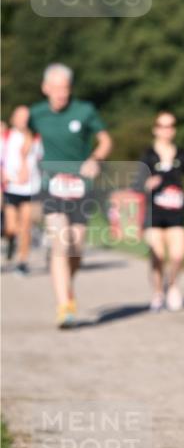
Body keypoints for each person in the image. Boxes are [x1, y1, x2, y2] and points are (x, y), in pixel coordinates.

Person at [29, 64, 112, 328]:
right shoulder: (36, 114)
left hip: (80, 187)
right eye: (55, 88)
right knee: (60, 244)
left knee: (76, 248)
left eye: (65, 88)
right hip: (51, 185)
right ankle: (63, 306)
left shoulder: (84, 111)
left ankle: (68, 287)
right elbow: (20, 136)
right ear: (45, 88)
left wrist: (96, 159)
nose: (60, 93)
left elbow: (106, 140)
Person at [137, 112, 184, 312]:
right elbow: (136, 184)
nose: (167, 130)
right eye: (162, 126)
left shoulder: (183, 155)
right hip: (153, 213)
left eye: (170, 125)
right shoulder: (147, 155)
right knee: (158, 255)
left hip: (176, 212)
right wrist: (147, 184)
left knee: (179, 255)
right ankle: (157, 292)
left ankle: (172, 285)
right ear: (155, 129)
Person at [1, 106, 43, 274]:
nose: (23, 121)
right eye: (20, 117)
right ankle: (11, 241)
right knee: (11, 227)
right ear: (13, 118)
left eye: (26, 117)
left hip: (30, 187)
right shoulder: (6, 137)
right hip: (11, 186)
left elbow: (41, 160)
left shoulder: (36, 139)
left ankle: (22, 261)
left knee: (26, 225)